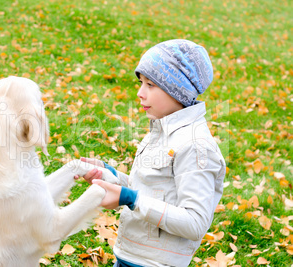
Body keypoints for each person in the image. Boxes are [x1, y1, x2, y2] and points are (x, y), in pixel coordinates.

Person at [77, 39, 226, 267]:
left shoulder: (195, 146)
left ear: (178, 90)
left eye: (150, 85)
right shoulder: (161, 131)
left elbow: (195, 223)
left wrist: (130, 198)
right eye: (141, 82)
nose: (140, 93)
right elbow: (150, 189)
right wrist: (109, 176)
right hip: (130, 255)